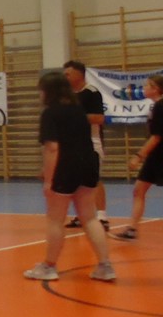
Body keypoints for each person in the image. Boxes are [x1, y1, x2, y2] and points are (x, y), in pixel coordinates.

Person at [24, 71, 115, 283]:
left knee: (55, 219)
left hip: (66, 167)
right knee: (89, 217)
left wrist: (49, 179)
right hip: (88, 163)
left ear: (48, 91)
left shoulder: (50, 113)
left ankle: (49, 266)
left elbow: (52, 148)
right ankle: (105, 266)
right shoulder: (78, 110)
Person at [111, 75, 163, 244]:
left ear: (155, 89)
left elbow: (156, 137)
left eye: (147, 86)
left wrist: (138, 156)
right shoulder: (158, 105)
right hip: (156, 157)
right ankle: (132, 230)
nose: (143, 89)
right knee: (138, 190)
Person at [62, 61, 110, 229]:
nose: (65, 77)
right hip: (73, 143)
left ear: (79, 74)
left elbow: (99, 118)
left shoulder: (91, 93)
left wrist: (75, 116)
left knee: (94, 179)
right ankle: (81, 214)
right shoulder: (67, 95)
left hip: (91, 142)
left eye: (68, 74)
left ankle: (102, 216)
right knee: (76, 180)